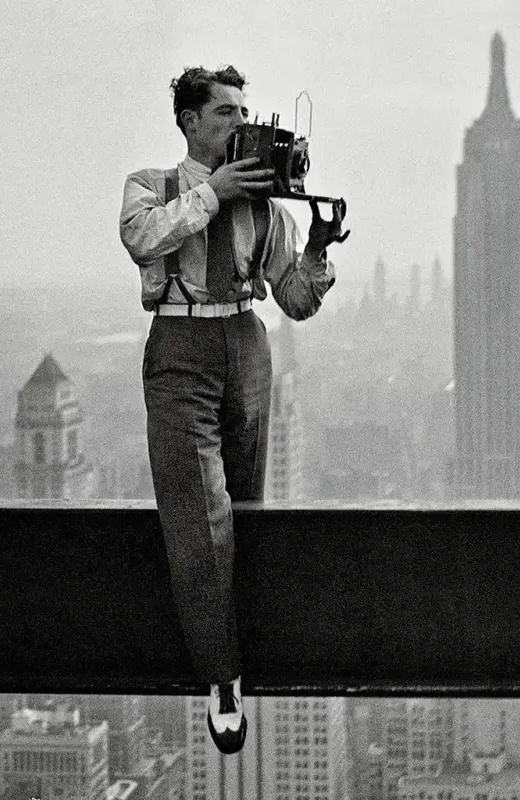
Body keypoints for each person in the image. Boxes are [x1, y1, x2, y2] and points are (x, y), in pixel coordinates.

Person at [119, 64, 349, 755]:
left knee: (245, 508)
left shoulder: (266, 207)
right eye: (225, 113)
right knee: (201, 516)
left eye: (244, 112)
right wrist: (212, 194)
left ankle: (245, 641)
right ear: (190, 122)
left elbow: (295, 302)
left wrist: (315, 248)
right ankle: (223, 677)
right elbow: (141, 238)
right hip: (180, 346)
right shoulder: (151, 185)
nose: (241, 124)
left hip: (246, 343)